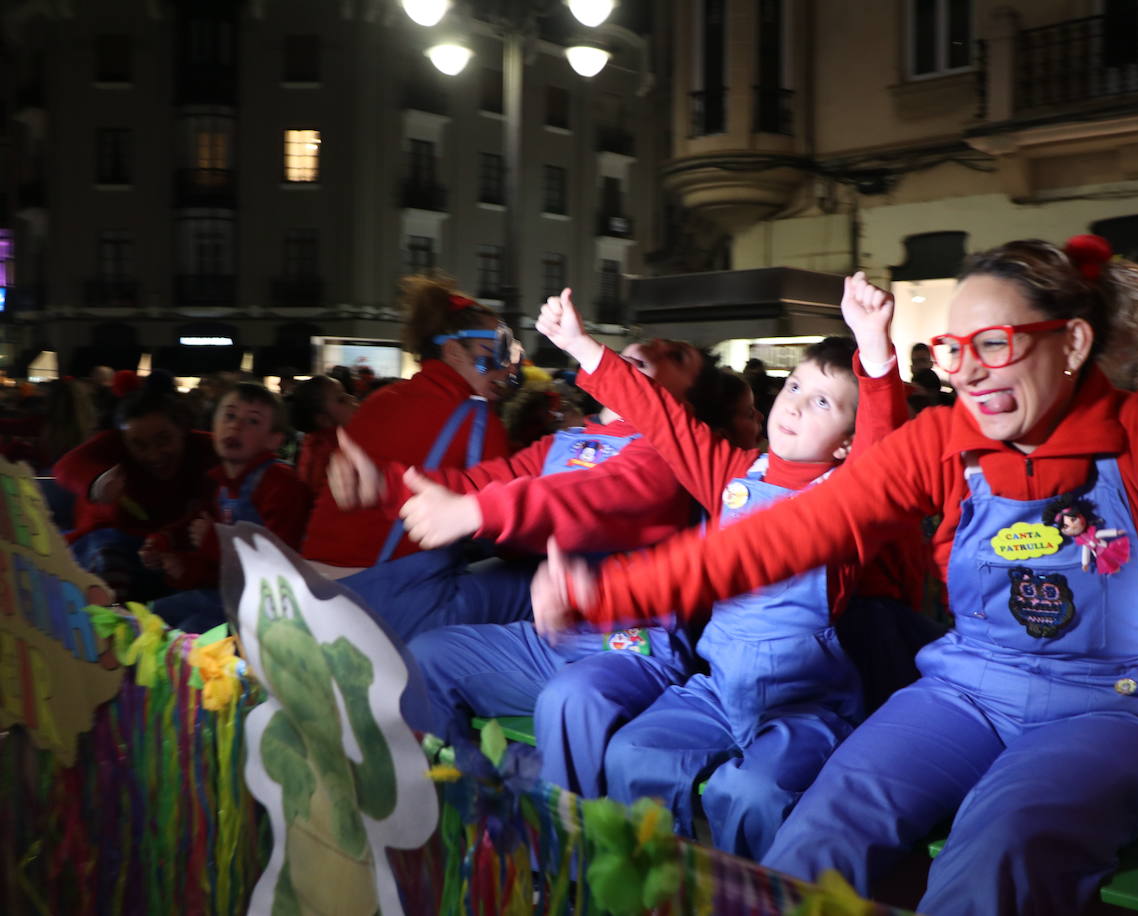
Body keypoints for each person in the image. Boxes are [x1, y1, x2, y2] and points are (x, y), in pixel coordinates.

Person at [532, 236, 1138, 913]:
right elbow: (789, 532)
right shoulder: (943, 441)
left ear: (1072, 342)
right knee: (821, 830)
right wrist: (611, 594)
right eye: (954, 351)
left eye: (994, 343)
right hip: (963, 688)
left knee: (1002, 847)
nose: (970, 374)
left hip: (1106, 707)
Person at [536, 274, 910, 859]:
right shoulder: (734, 475)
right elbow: (663, 419)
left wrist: (875, 351)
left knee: (752, 793)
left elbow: (885, 450)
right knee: (634, 754)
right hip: (716, 690)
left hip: (802, 706)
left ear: (845, 442)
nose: (794, 404)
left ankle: (747, 899)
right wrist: (584, 349)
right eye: (794, 386)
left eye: (822, 402)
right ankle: (654, 895)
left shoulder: (850, 500)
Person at [328, 335, 753, 798]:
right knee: (427, 657)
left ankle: (563, 859)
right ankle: (460, 818)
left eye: (676, 354)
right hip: (551, 639)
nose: (649, 350)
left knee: (569, 698)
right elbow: (478, 483)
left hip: (632, 647)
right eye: (643, 343)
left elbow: (591, 496)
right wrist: (388, 485)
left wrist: (479, 513)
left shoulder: (669, 456)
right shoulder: (568, 441)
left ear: (685, 399)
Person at [300, 277, 513, 571]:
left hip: (316, 574)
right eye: (496, 351)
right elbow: (506, 523)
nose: (508, 366)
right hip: (382, 586)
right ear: (452, 351)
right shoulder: (477, 419)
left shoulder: (381, 398)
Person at [144, 383, 312, 632]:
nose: (236, 426)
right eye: (230, 416)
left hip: (269, 612)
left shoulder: (280, 483)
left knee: (187, 636)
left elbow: (281, 563)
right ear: (214, 425)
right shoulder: (222, 484)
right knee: (149, 617)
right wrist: (172, 551)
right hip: (229, 596)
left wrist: (215, 543)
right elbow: (205, 546)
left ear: (274, 440)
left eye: (252, 421)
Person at [55, 389, 219, 601]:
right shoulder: (114, 443)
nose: (153, 454)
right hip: (111, 549)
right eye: (139, 445)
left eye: (163, 440)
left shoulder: (208, 449)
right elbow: (65, 467)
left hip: (174, 557)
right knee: (108, 556)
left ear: (183, 430)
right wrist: (97, 483)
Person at [290, 375, 359, 498]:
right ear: (323, 420)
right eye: (341, 399)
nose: (351, 398)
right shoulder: (331, 453)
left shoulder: (314, 445)